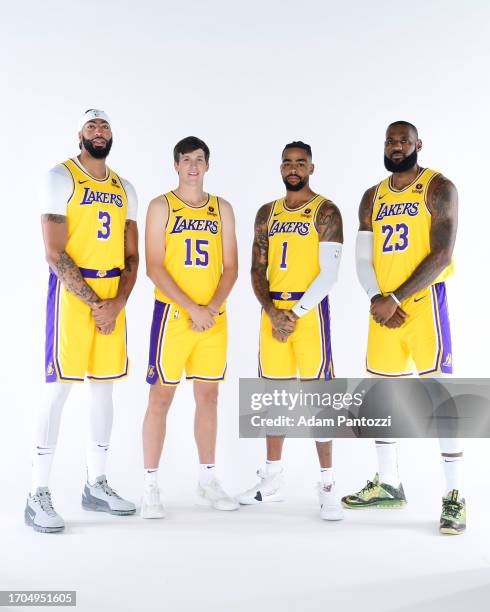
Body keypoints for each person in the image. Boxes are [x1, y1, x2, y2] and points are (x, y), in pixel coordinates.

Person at [342, 120, 465, 534]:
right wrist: (379, 299)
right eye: (391, 142)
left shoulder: (438, 187)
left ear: (418, 145)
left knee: (438, 395)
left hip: (423, 304)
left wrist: (394, 298)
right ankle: (389, 483)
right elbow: (363, 258)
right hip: (382, 306)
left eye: (404, 141)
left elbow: (442, 254)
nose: (397, 147)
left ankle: (454, 496)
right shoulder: (371, 197)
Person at [25, 109, 139, 533]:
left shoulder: (125, 187)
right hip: (74, 297)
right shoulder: (60, 177)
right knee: (57, 390)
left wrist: (117, 302)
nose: (99, 131)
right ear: (80, 134)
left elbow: (132, 256)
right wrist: (96, 303)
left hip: (113, 296)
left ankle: (96, 483)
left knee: (104, 390)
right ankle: (37, 493)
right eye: (92, 125)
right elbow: (55, 253)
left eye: (106, 126)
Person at [238, 141, 344, 520]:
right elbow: (256, 268)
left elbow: (329, 274)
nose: (294, 168)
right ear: (280, 167)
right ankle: (272, 478)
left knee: (319, 399)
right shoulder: (267, 213)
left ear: (312, 168)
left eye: (301, 162)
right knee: (274, 399)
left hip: (309, 312)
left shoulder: (326, 211)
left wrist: (294, 312)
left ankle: (328, 484)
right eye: (288, 162)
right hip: (274, 312)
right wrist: (271, 310)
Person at [142, 136, 239, 518]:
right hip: (174, 317)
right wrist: (191, 308)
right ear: (176, 166)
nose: (193, 166)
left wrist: (211, 307)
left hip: (213, 318)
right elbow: (154, 265)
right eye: (186, 160)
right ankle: (150, 485)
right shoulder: (160, 206)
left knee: (209, 398)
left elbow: (230, 267)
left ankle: (207, 479)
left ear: (208, 165)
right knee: (160, 399)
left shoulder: (223, 209)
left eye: (199, 159)